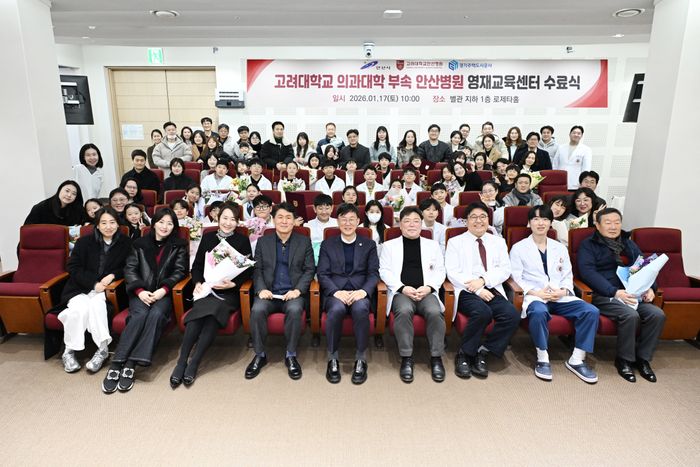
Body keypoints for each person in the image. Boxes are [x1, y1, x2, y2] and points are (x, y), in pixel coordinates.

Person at [101, 208, 188, 393]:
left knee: (156, 314)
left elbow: (180, 271)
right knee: (139, 315)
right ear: (153, 223)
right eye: (161, 222)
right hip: (140, 292)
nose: (165, 227)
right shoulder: (139, 244)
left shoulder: (179, 245)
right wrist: (140, 291)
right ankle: (117, 363)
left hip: (163, 294)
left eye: (170, 223)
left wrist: (163, 290)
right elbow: (130, 269)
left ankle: (131, 363)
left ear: (174, 227)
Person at [510, 205, 600, 382]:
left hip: (559, 296)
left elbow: (567, 275)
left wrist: (563, 290)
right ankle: (542, 358)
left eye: (545, 219)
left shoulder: (559, 247)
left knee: (591, 311)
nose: (540, 223)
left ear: (551, 223)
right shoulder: (518, 248)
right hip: (535, 295)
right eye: (536, 219)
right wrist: (536, 293)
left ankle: (577, 359)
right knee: (538, 312)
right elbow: (516, 277)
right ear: (529, 223)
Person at [578, 208, 666, 383]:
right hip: (605, 294)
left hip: (632, 293)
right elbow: (587, 273)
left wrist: (650, 288)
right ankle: (624, 360)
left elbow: (645, 267)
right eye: (608, 223)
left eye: (617, 222)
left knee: (657, 314)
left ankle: (643, 359)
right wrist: (614, 292)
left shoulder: (628, 244)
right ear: (597, 225)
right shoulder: (588, 245)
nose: (613, 226)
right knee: (630, 315)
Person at [170, 203, 253, 387]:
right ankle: (182, 361)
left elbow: (248, 270)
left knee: (211, 315)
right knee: (200, 317)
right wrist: (198, 283)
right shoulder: (208, 238)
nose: (228, 223)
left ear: (238, 222)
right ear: (217, 218)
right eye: (225, 218)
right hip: (207, 289)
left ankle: (194, 362)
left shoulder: (242, 240)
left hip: (228, 293)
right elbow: (197, 266)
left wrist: (234, 283)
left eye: (233, 219)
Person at [445, 202, 520, 379]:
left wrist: (484, 281)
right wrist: (478, 290)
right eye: (473, 217)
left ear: (488, 220)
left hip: (491, 287)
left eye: (483, 217)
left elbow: (505, 269)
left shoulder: (498, 242)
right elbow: (452, 271)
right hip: (466, 290)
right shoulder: (455, 242)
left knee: (511, 315)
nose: (478, 221)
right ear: (466, 221)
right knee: (482, 312)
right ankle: (465, 354)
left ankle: (484, 351)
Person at [55, 207, 132, 373]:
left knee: (97, 307)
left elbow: (128, 266)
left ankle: (102, 350)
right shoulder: (84, 242)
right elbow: (73, 267)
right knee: (78, 311)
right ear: (97, 225)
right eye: (103, 223)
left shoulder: (126, 243)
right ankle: (69, 351)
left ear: (118, 224)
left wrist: (112, 275)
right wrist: (92, 283)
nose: (108, 226)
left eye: (112, 222)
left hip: (105, 290)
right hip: (80, 288)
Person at [245, 202, 316, 380]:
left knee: (295, 310)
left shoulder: (304, 241)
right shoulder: (263, 242)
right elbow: (257, 269)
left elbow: (309, 270)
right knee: (257, 310)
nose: (284, 221)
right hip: (269, 292)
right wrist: (261, 289)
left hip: (292, 293)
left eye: (288, 217)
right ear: (274, 219)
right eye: (280, 217)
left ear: (294, 221)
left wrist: (298, 290)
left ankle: (291, 354)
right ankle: (259, 354)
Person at [379, 207, 446, 383]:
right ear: (400, 225)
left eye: (416, 221)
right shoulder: (389, 246)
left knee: (435, 312)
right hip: (402, 291)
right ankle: (406, 357)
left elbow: (440, 270)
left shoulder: (432, 245)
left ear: (421, 224)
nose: (412, 225)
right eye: (407, 221)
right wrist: (402, 288)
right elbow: (384, 271)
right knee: (403, 311)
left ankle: (436, 357)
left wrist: (429, 287)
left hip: (426, 291)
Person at [317, 203, 379, 384]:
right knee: (336, 310)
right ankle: (332, 357)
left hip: (360, 291)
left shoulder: (369, 244)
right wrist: (336, 292)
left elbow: (373, 273)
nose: (347, 223)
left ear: (359, 221)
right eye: (343, 219)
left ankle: (360, 358)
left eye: (352, 219)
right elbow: (322, 274)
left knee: (361, 309)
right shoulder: (328, 244)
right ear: (337, 222)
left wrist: (364, 291)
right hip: (335, 292)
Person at [552, 125, 592, 190]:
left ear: (581, 136)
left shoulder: (586, 149)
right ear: (570, 134)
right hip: (560, 182)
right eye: (574, 133)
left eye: (579, 133)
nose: (576, 135)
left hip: (576, 183)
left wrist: (583, 183)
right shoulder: (561, 147)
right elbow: (555, 164)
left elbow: (586, 168)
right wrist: (555, 178)